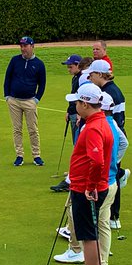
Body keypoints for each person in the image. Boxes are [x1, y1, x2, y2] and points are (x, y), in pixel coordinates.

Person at [62, 83, 114, 265]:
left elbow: (97, 161)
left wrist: (90, 186)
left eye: (76, 101)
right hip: (90, 185)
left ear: (85, 103)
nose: (74, 104)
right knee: (90, 231)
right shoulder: (99, 121)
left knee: (87, 234)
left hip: (87, 187)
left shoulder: (93, 127)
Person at [85, 60, 127, 227]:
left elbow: (114, 120)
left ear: (100, 75)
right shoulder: (111, 90)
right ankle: (111, 216)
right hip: (113, 136)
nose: (90, 77)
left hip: (110, 137)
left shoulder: (108, 93)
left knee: (111, 178)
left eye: (92, 74)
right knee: (112, 177)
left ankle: (113, 216)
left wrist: (115, 157)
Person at [3, 36, 46, 166]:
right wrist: (7, 96)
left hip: (30, 101)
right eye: (21, 46)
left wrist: (37, 99)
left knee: (33, 129)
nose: (23, 48)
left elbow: (42, 84)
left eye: (25, 46)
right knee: (17, 129)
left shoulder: (39, 64)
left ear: (32, 46)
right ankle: (19, 155)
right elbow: (7, 78)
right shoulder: (15, 60)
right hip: (14, 100)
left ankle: (36, 155)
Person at [50, 55, 83, 193]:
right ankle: (73, 173)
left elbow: (80, 98)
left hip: (78, 114)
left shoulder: (82, 78)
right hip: (73, 113)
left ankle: (74, 176)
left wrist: (77, 113)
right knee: (76, 144)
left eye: (70, 66)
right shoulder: (75, 78)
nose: (68, 69)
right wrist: (68, 111)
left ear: (78, 65)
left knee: (78, 145)